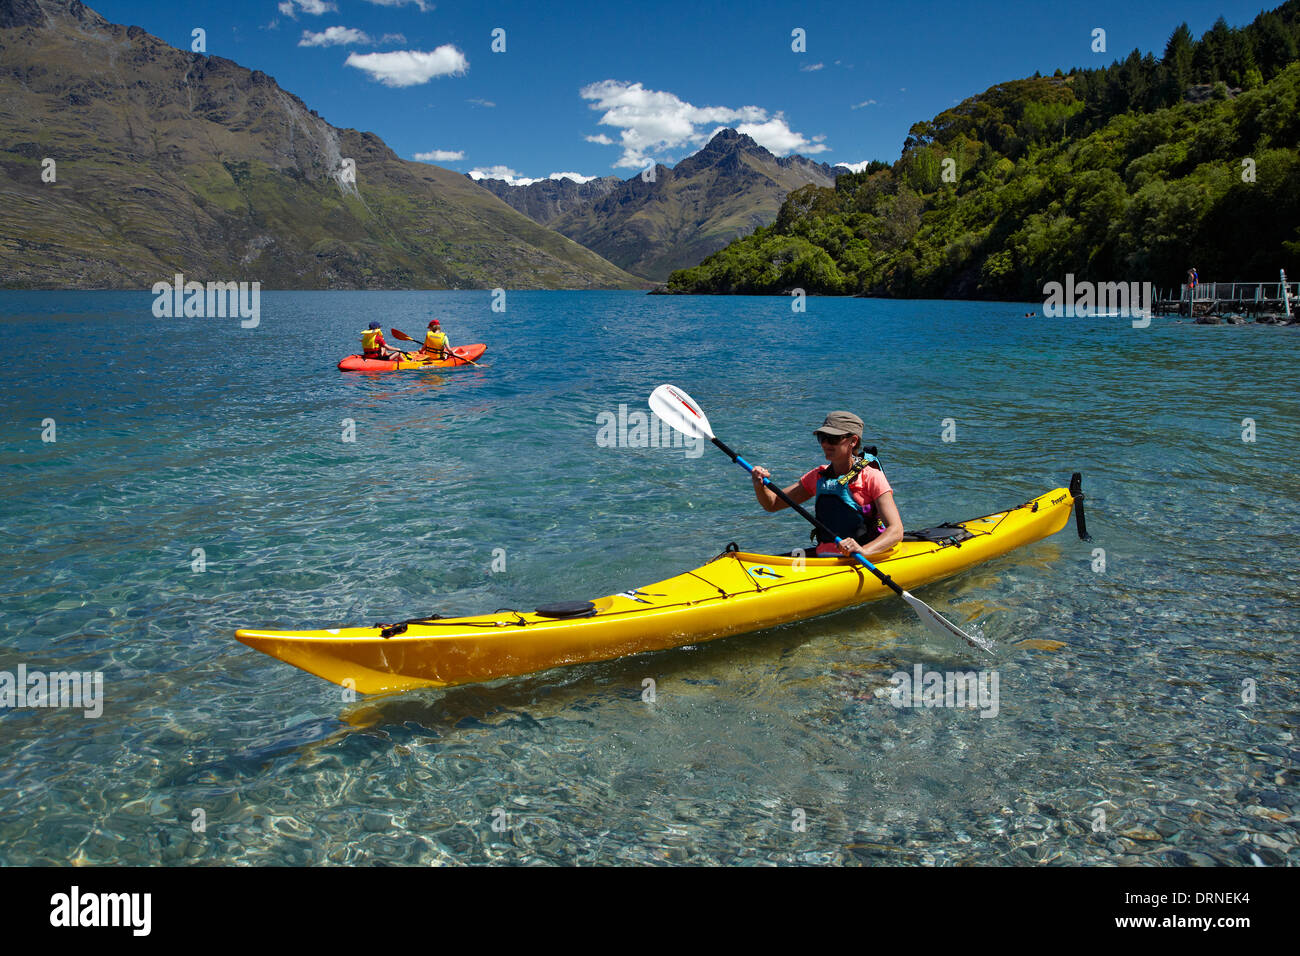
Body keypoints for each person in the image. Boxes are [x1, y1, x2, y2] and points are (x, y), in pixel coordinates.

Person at [750, 411, 904, 558]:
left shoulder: (871, 477)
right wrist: (759, 485)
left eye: (833, 439)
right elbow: (773, 504)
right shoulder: (818, 476)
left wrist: (864, 550)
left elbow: (896, 530)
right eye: (822, 438)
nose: (825, 444)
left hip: (862, 558)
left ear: (853, 441)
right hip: (825, 557)